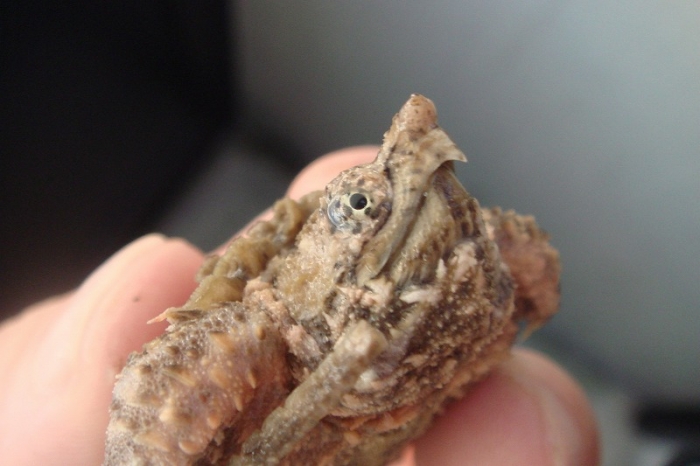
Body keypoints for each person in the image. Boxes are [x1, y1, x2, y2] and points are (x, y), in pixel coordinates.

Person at [0, 147, 600, 465]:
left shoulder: (495, 250)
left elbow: (533, 276)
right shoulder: (252, 340)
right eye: (361, 205)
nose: (434, 206)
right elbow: (151, 414)